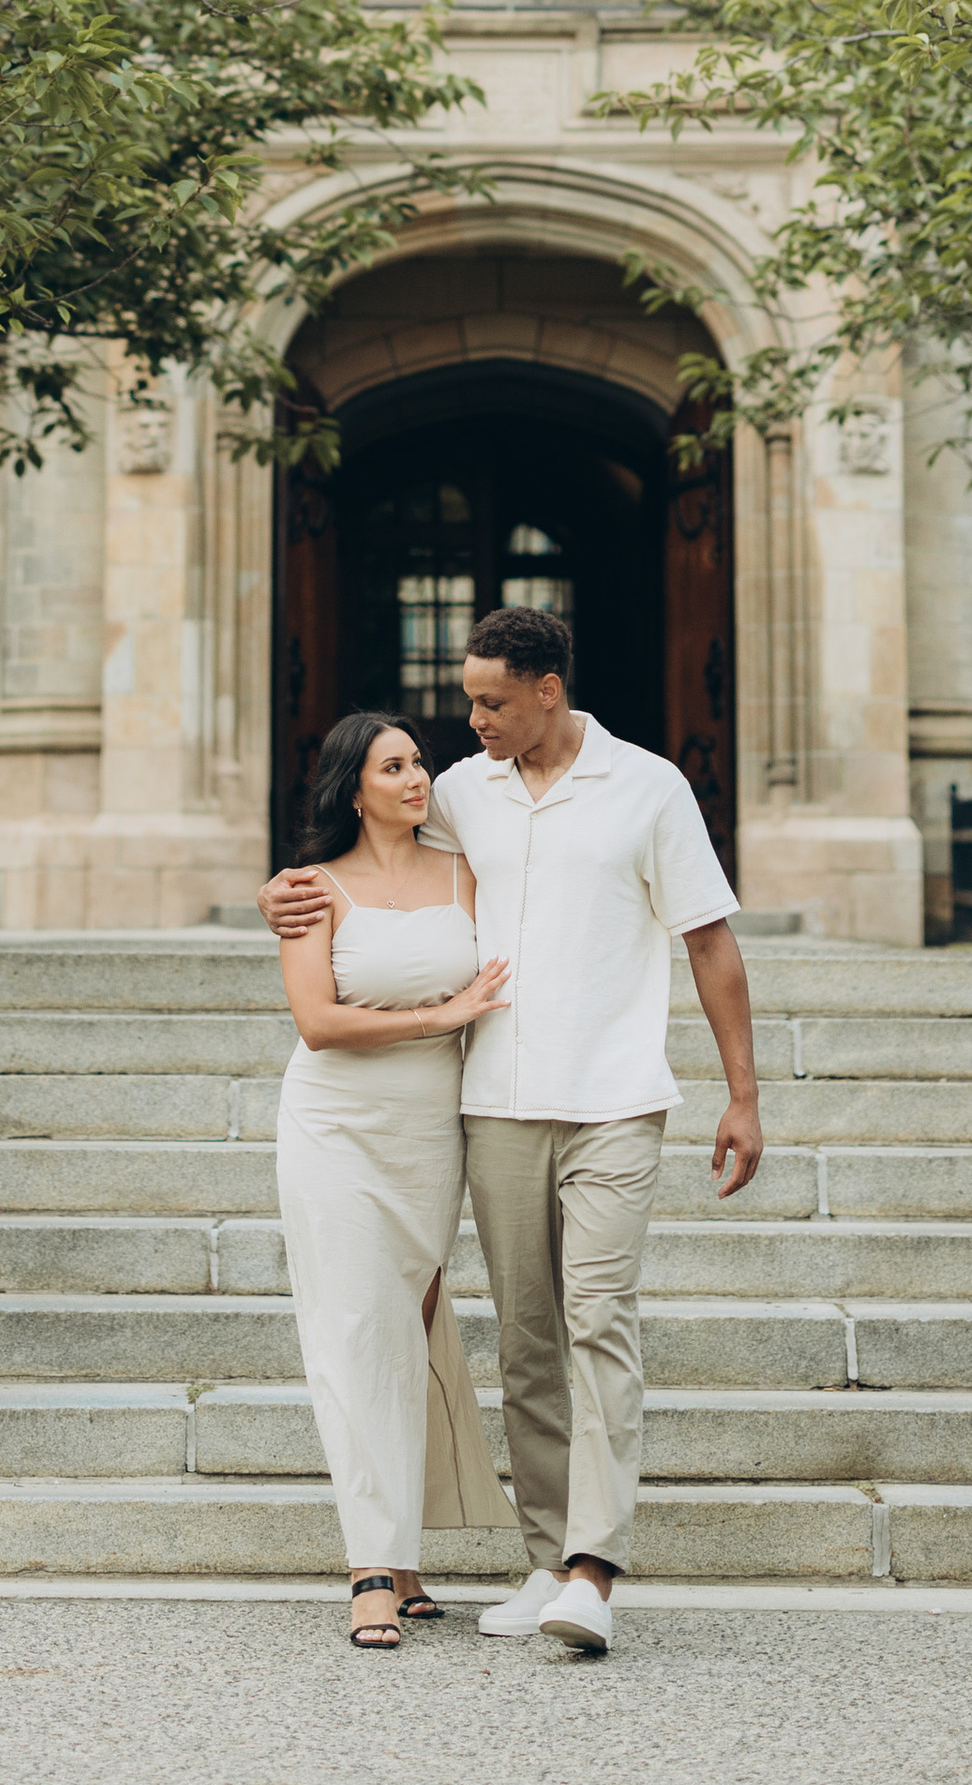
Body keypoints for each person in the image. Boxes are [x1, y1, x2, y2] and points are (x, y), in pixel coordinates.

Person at [262, 607, 764, 1658]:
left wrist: (742, 1094)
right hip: (491, 1103)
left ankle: (593, 1567)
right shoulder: (457, 796)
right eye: (466, 700)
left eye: (491, 701)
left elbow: (710, 943)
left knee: (598, 1322)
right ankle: (544, 1554)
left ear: (549, 689)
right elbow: (375, 857)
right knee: (528, 1345)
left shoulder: (648, 787)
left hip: (615, 1099)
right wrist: (287, 890)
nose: (472, 719)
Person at [274, 708, 518, 1648]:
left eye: (419, 762)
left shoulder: (465, 869)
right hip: (335, 1123)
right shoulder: (313, 889)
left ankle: (406, 1554)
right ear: (353, 786)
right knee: (352, 1329)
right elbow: (319, 1023)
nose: (417, 778)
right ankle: (369, 1569)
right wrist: (443, 1013)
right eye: (394, 767)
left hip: (430, 1131)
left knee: (410, 1329)